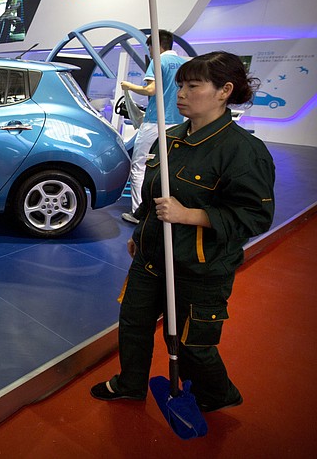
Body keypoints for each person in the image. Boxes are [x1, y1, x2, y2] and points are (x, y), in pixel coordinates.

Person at [90, 51, 275, 413]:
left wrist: (191, 215)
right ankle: (130, 384)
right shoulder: (169, 137)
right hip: (151, 258)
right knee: (133, 323)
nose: (181, 94)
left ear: (224, 91)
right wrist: (141, 231)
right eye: (180, 86)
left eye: (193, 86)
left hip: (199, 268)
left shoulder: (244, 152)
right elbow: (154, 195)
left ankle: (216, 395)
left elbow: (255, 216)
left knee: (193, 345)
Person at [119, 30, 187, 224]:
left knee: (139, 166)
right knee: (168, 167)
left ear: (154, 46)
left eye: (149, 47)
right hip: (178, 123)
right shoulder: (184, 64)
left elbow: (151, 89)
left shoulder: (159, 61)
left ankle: (138, 213)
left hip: (156, 122)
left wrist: (128, 86)